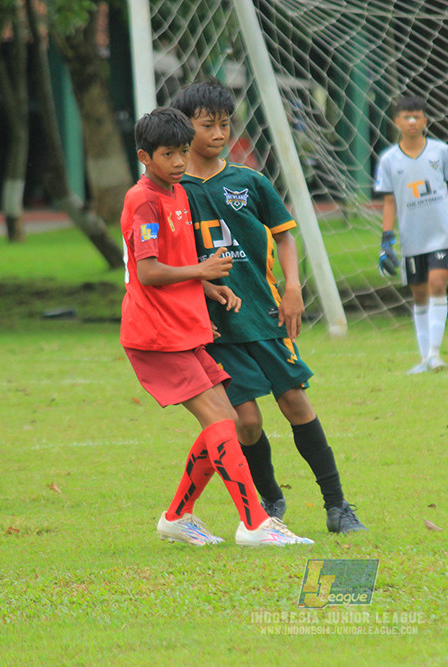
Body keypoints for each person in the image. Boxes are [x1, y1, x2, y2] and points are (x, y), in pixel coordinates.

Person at [171, 80, 366, 535]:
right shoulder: (173, 192)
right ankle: (269, 498)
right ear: (186, 128)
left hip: (266, 314)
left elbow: (284, 234)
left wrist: (294, 286)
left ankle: (338, 506)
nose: (219, 133)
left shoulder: (249, 180)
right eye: (208, 125)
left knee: (295, 400)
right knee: (247, 422)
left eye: (225, 124)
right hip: (216, 327)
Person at [120, 106, 311, 547]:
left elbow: (179, 264)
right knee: (223, 421)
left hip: (184, 327)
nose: (180, 162)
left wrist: (209, 288)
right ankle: (255, 523)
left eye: (183, 152)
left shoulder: (175, 193)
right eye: (169, 154)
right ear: (145, 157)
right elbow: (148, 272)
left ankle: (176, 517)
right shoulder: (145, 198)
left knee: (223, 421)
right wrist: (202, 273)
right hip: (157, 334)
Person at [374, 95, 448, 374]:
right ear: (397, 121)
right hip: (411, 237)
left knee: (437, 283)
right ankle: (424, 359)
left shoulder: (440, 151)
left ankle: (435, 354)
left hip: (440, 233)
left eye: (417, 117)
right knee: (419, 295)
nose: (412, 122)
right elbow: (390, 202)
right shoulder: (389, 160)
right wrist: (386, 241)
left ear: (425, 120)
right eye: (406, 117)